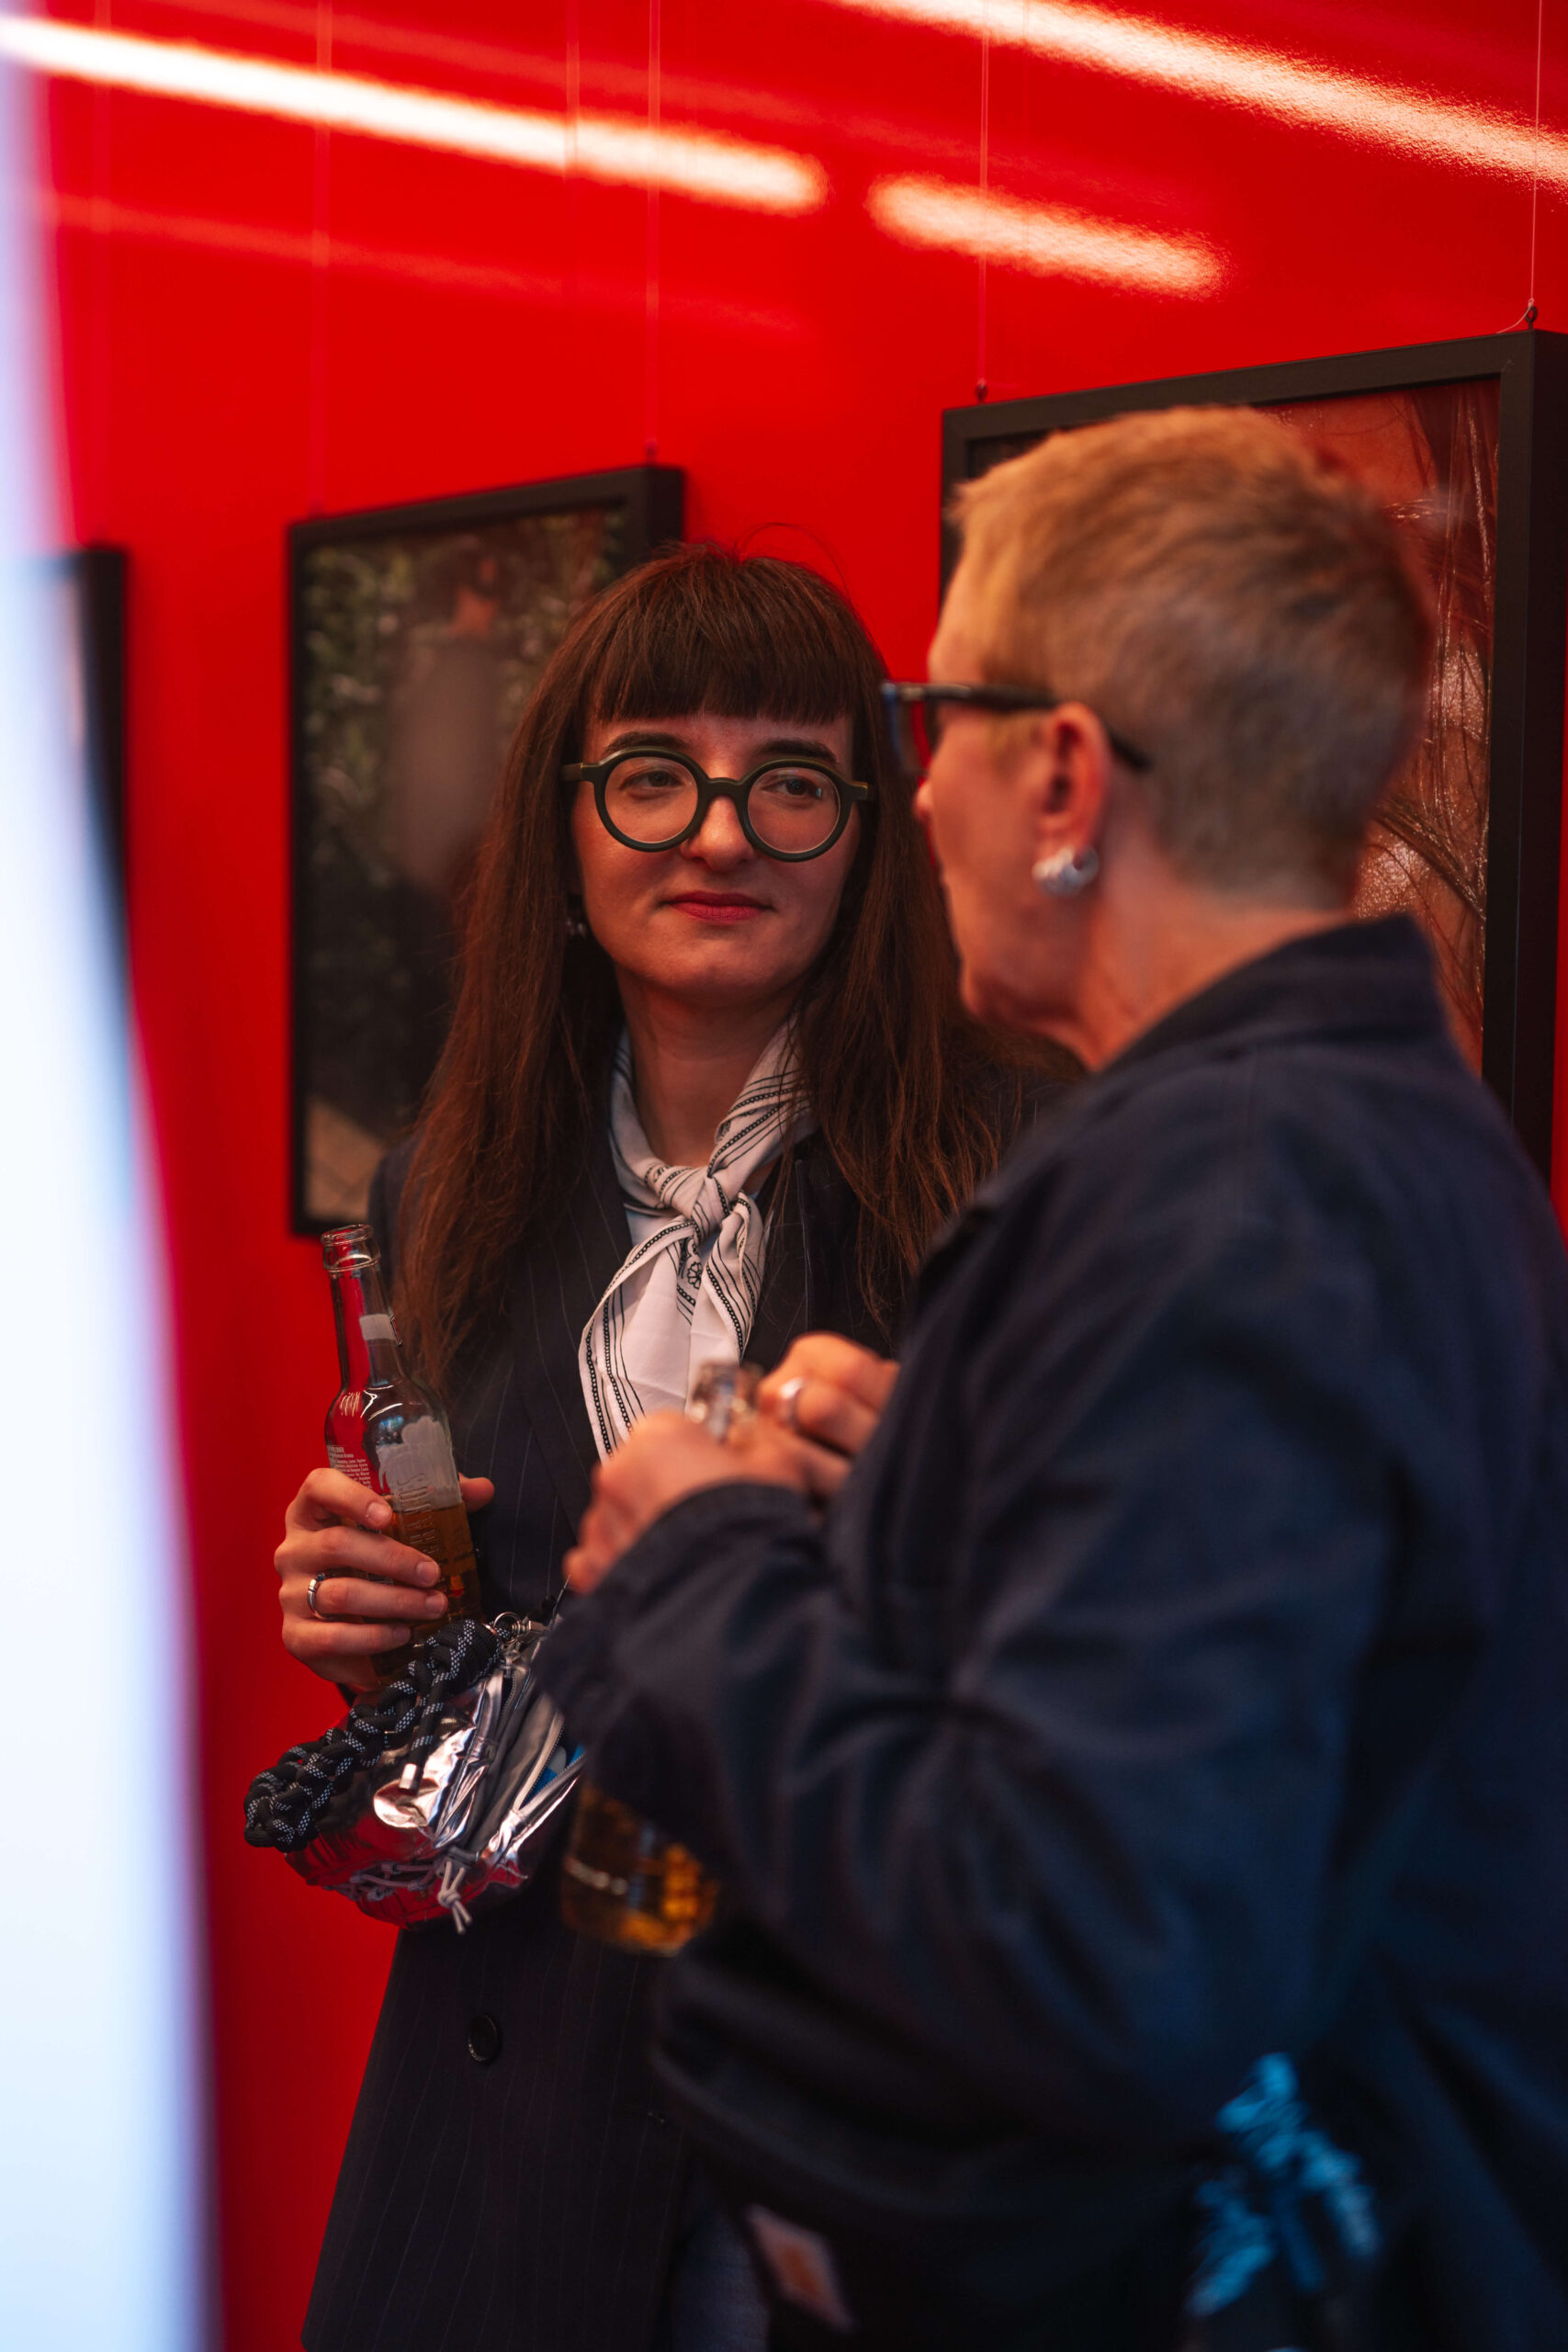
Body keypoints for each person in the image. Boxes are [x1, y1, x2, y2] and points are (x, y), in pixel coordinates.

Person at [537, 411, 1568, 2348]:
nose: (918, 798)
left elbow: (1091, 1952)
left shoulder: (1228, 1203)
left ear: (1068, 778)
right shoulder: (1331, 1139)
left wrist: (696, 1569)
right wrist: (926, 1512)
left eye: (939, 723)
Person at [274, 545, 1051, 2352]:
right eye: (651, 775)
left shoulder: (1017, 1164)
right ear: (563, 831)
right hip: (513, 2079)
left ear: (867, 834)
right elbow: (472, 1623)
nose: (718, 832)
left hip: (849, 2078)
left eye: (789, 781)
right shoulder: (444, 1184)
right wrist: (371, 1630)